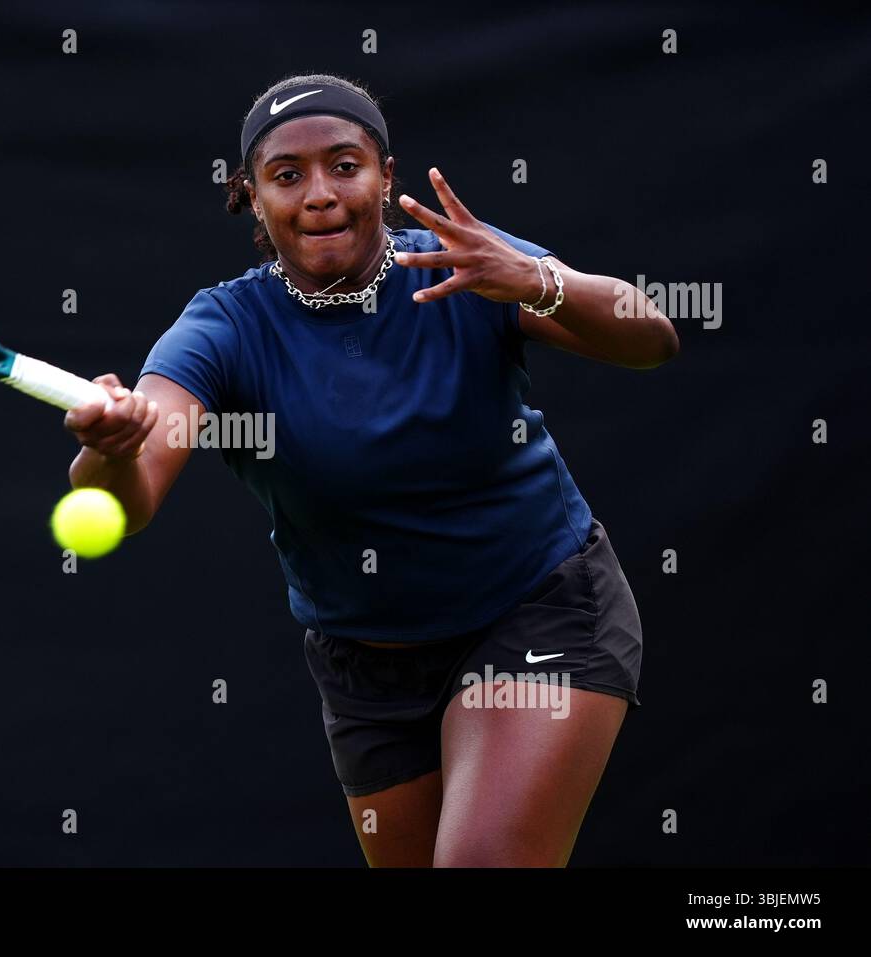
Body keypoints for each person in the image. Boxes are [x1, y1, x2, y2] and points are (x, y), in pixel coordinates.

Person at [63, 73, 678, 867]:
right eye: (287, 175)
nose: (320, 194)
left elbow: (653, 336)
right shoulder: (221, 327)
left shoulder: (463, 261)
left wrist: (539, 282)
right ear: (251, 196)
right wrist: (109, 453)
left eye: (345, 165)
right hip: (368, 666)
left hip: (537, 609)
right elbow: (134, 490)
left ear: (385, 178)